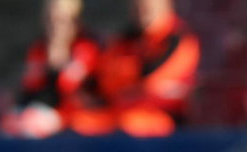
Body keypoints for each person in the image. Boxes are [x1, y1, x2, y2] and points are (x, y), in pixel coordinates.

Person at [68, 0, 200, 137]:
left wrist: (123, 86)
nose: (143, 11)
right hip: (116, 112)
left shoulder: (179, 38)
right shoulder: (125, 40)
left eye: (148, 6)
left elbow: (151, 81)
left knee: (129, 124)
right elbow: (103, 79)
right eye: (138, 6)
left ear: (166, 5)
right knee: (77, 123)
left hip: (162, 118)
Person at [0, 0, 101, 139]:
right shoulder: (39, 49)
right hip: (46, 111)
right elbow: (31, 87)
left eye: (61, 20)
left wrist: (58, 59)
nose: (55, 26)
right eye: (50, 19)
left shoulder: (86, 48)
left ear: (75, 21)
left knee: (31, 124)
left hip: (77, 114)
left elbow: (68, 87)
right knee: (10, 122)